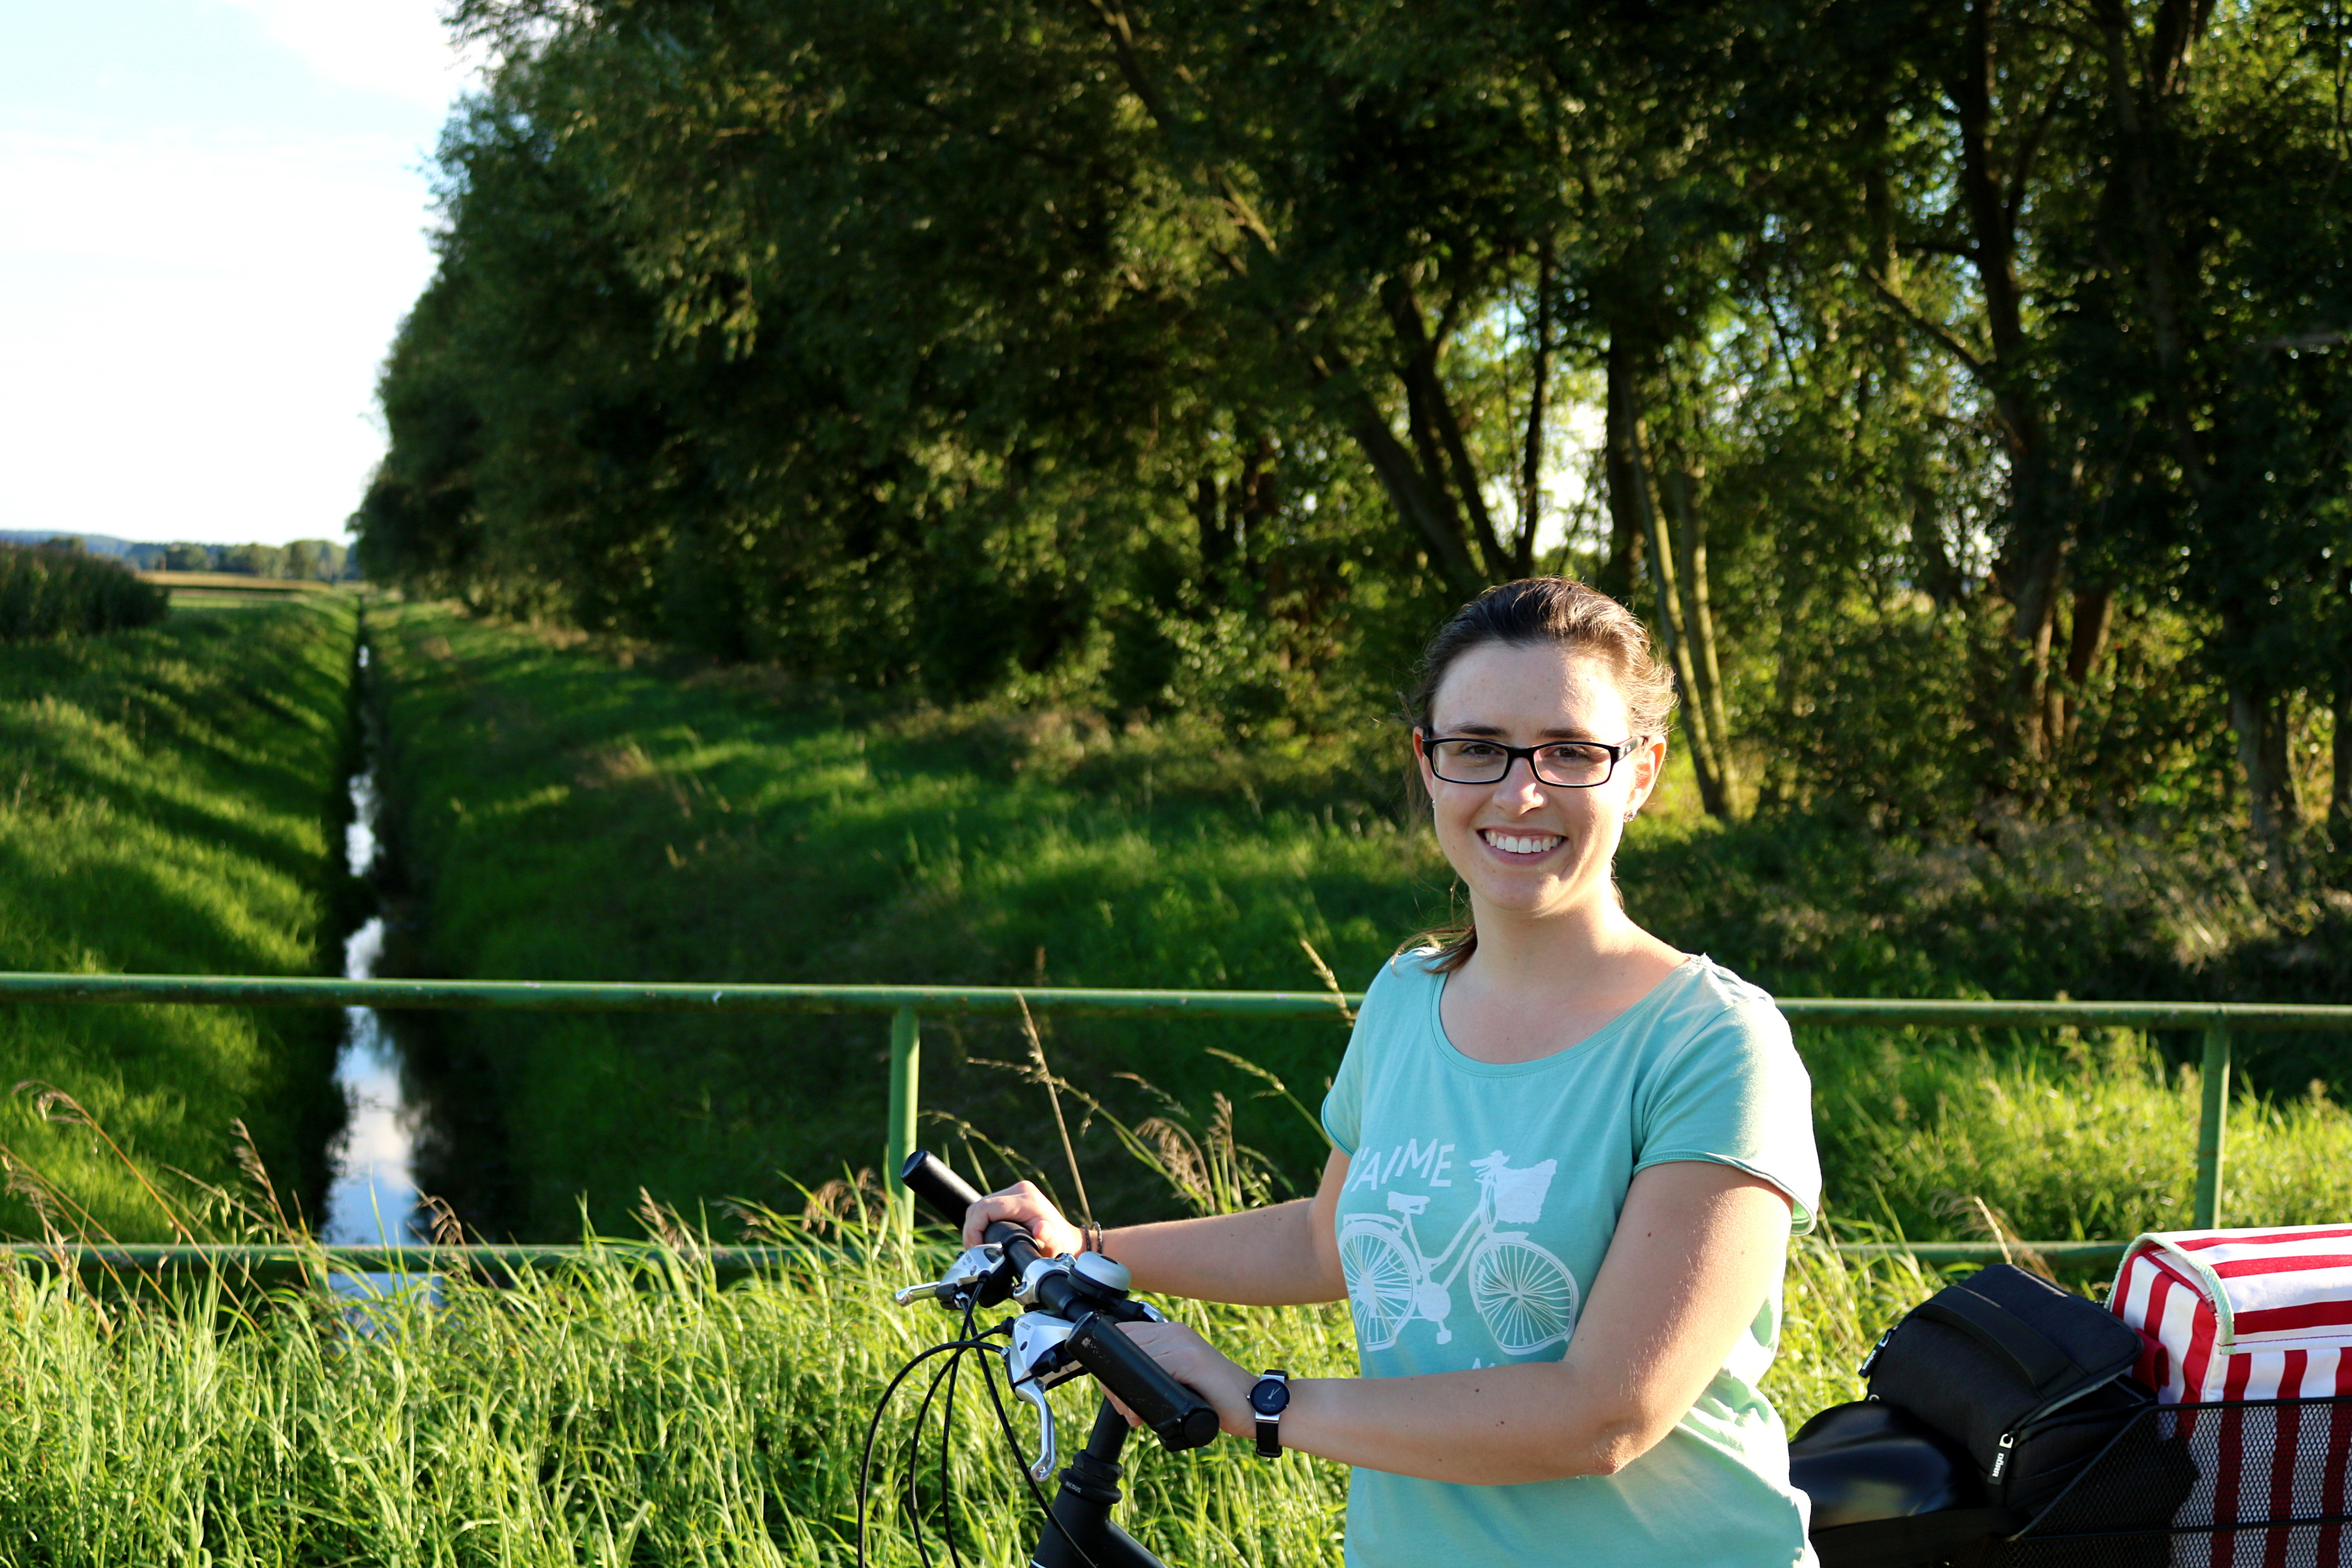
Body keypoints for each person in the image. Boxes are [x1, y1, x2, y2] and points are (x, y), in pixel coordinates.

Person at [964, 578, 1822, 1566]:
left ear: (1639, 774)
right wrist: (1094, 1245)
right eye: (1477, 747)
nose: (1520, 789)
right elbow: (1326, 1239)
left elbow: (1606, 1413)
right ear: (1430, 762)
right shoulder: (1407, 996)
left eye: (1572, 751)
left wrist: (1259, 1402)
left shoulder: (1714, 1045)